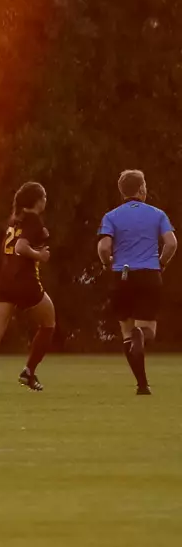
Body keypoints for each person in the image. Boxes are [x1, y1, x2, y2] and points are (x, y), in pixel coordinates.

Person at [0, 182, 56, 394]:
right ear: (37, 200)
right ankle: (28, 372)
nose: (45, 201)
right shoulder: (33, 219)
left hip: (3, 282)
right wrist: (40, 255)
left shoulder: (14, 221)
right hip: (24, 282)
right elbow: (21, 247)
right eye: (44, 197)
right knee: (48, 323)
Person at [97, 170, 177, 396]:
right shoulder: (157, 214)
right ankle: (140, 336)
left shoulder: (111, 216)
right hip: (149, 274)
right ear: (141, 189)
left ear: (122, 191)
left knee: (126, 331)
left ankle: (142, 384)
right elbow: (171, 243)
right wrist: (161, 263)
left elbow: (103, 247)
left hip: (121, 275)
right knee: (147, 330)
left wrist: (106, 263)